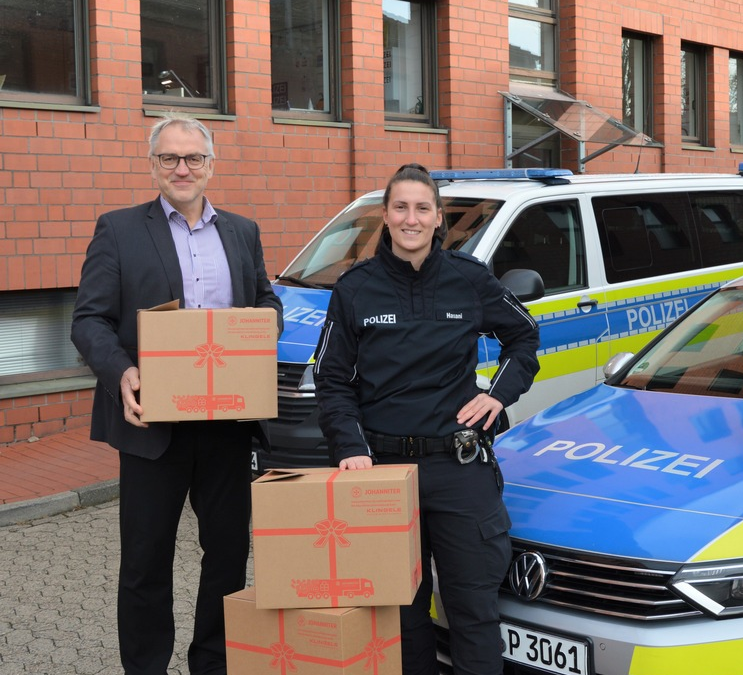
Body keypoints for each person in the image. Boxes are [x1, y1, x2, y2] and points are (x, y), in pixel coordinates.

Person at [71, 115, 282, 675]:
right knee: (145, 561)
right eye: (169, 158)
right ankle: (145, 667)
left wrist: (262, 327)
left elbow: (266, 300)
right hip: (151, 426)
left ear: (211, 165)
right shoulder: (117, 229)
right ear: (154, 165)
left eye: (193, 158)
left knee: (228, 555)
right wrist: (122, 373)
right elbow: (89, 320)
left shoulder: (242, 231)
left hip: (227, 426)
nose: (182, 168)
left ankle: (212, 662)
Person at [313, 163, 540, 675]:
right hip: (384, 473)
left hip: (459, 469)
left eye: (421, 208)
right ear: (386, 217)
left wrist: (497, 396)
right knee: (401, 615)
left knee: (474, 612)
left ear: (439, 218)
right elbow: (331, 379)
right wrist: (350, 448)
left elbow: (524, 337)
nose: (410, 219)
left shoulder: (468, 278)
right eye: (400, 208)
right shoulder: (355, 288)